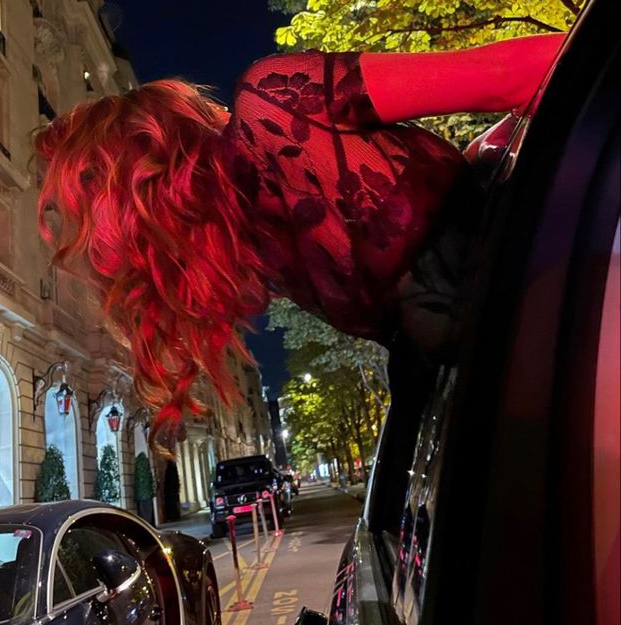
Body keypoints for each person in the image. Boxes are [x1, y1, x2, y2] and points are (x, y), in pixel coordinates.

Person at [35, 34, 564, 439]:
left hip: (549, 359)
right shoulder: (271, 131)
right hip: (568, 298)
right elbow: (528, 72)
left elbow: (532, 74)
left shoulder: (265, 221)